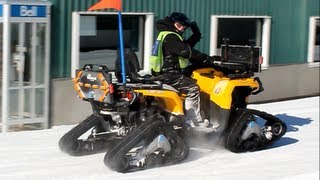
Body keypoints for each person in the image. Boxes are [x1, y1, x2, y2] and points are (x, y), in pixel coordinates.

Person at [150, 12, 212, 127]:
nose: (182, 28)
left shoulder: (166, 34)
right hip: (170, 74)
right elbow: (184, 51)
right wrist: (205, 58)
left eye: (184, 26)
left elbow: (183, 46)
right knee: (193, 89)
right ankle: (194, 121)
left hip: (163, 73)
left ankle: (183, 114)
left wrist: (196, 36)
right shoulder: (171, 36)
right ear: (172, 23)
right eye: (179, 25)